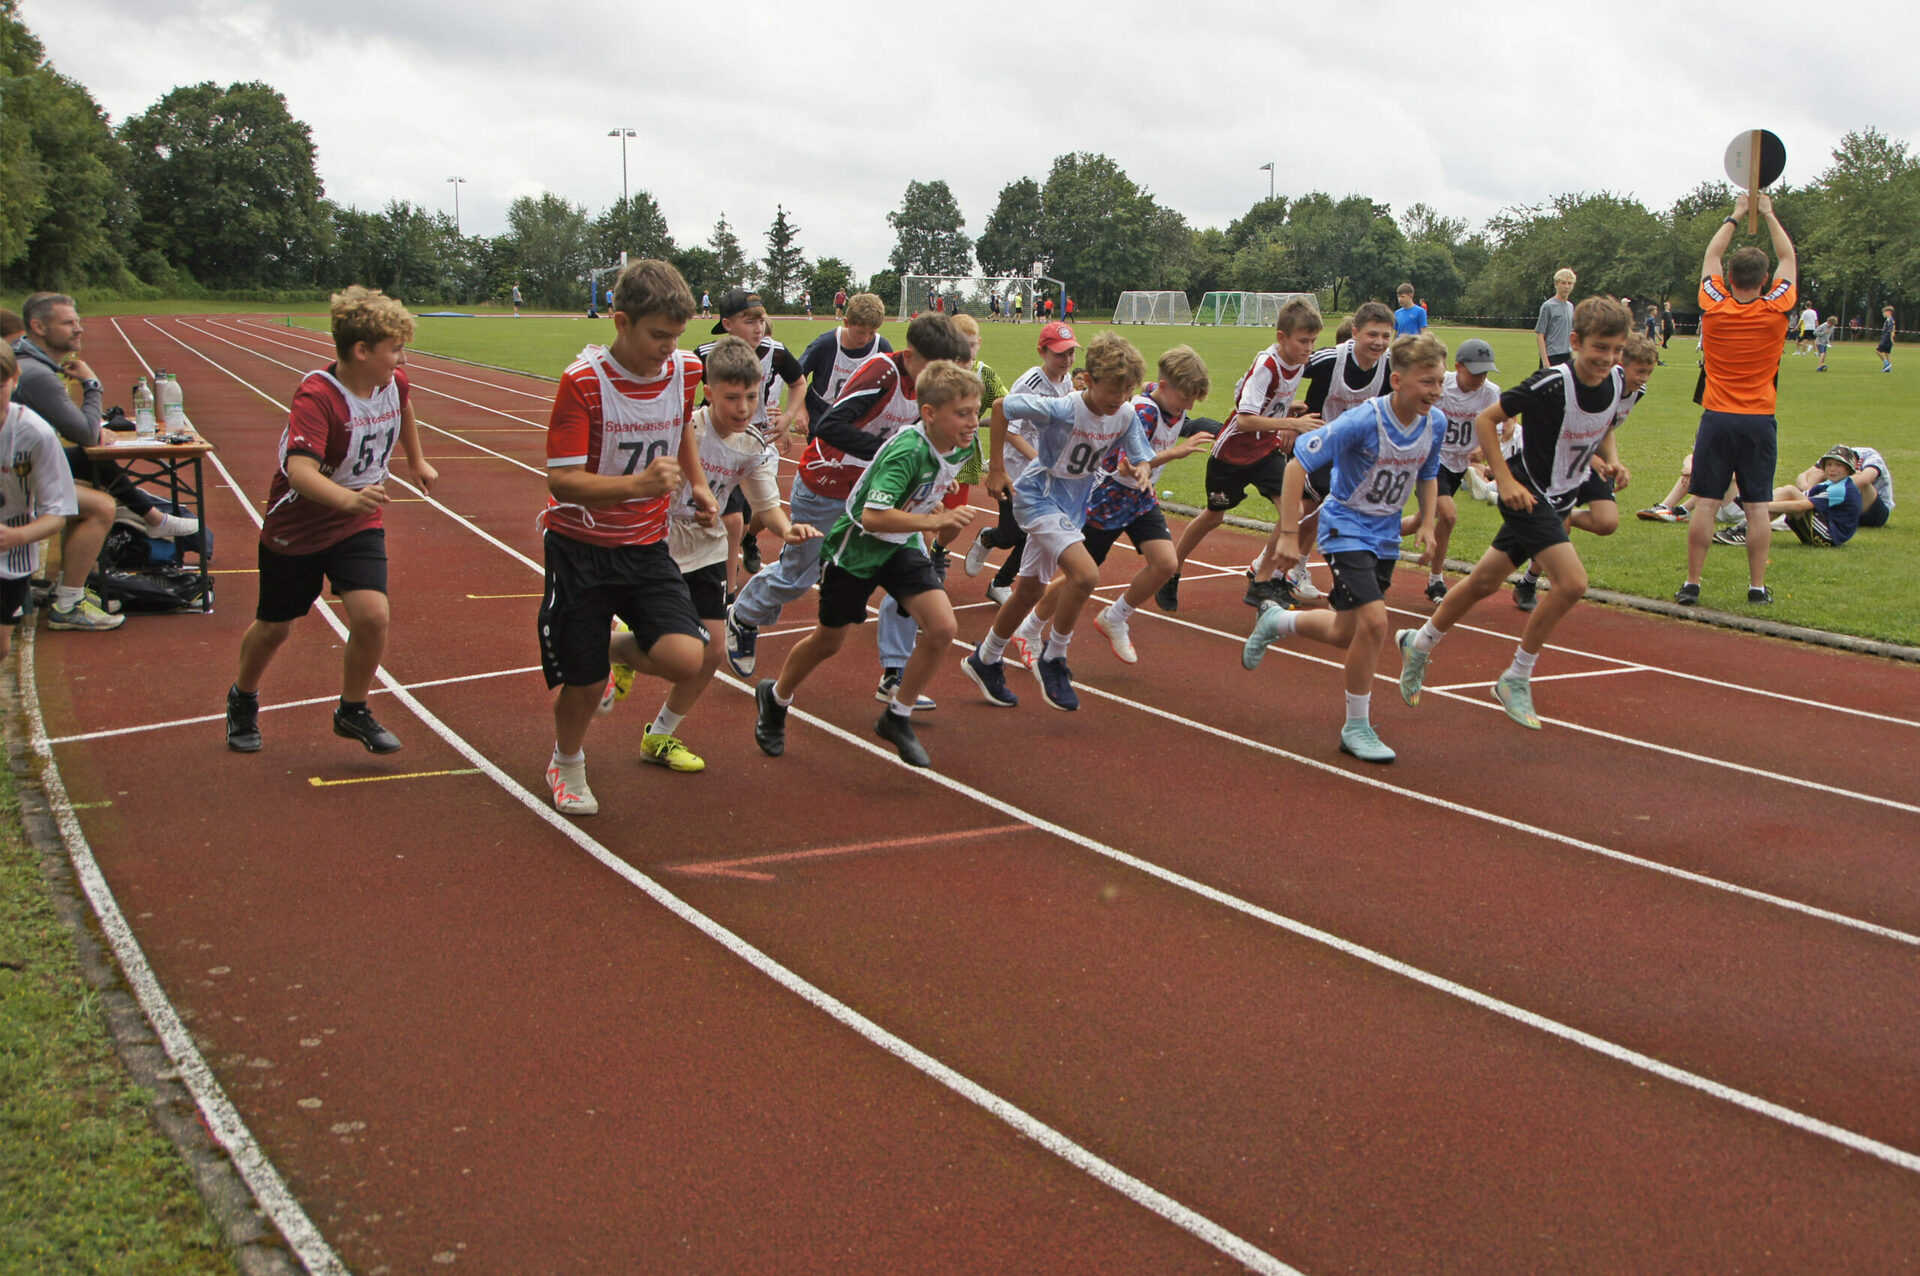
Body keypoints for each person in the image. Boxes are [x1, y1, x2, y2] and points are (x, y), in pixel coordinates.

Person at [1396, 297, 1633, 732]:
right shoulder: (1551, 383)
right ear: (1576, 341)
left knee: (1483, 581)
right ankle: (1516, 676)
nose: (1609, 358)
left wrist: (1609, 460)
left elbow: (1606, 426)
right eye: (1600, 348)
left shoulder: (1617, 381)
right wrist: (1503, 480)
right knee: (1572, 583)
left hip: (1560, 496)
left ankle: (1419, 641)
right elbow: (1488, 420)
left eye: (1617, 350)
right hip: (1528, 493)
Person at [225, 286, 438, 754]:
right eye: (395, 350)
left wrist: (416, 461)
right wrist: (345, 498)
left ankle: (353, 709)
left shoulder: (392, 383)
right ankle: (243, 696)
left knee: (372, 615)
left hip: (356, 522)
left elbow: (404, 411)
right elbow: (298, 471)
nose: (402, 360)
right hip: (298, 528)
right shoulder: (318, 397)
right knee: (276, 626)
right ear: (361, 351)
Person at [536, 259, 711, 815]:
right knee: (584, 687)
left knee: (688, 657)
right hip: (581, 548)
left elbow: (680, 424)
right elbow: (560, 481)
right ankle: (566, 763)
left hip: (644, 544)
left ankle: (611, 647)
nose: (669, 347)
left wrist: (700, 485)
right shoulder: (583, 382)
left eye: (677, 336)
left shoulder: (684, 371)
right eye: (658, 335)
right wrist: (637, 483)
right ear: (621, 321)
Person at [600, 335, 821, 770]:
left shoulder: (754, 445)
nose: (742, 408)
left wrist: (786, 528)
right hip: (658, 539)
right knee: (671, 645)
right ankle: (613, 645)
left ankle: (659, 736)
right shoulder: (685, 432)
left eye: (752, 397)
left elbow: (766, 504)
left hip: (707, 547)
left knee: (713, 652)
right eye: (732, 397)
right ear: (708, 392)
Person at [752, 361, 981, 768]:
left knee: (943, 627)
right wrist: (935, 520)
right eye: (962, 413)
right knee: (829, 642)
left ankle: (897, 716)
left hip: (900, 545)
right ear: (929, 414)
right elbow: (874, 516)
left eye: (975, 411)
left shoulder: (961, 445)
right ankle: (776, 696)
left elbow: (923, 490)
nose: (972, 421)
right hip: (857, 548)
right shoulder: (905, 451)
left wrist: (934, 504)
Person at [724, 313, 971, 682]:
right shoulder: (882, 374)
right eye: (942, 366)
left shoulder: (933, 390)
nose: (947, 377)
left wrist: (930, 479)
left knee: (914, 577)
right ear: (915, 356)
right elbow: (830, 426)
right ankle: (743, 615)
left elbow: (924, 442)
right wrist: (890, 453)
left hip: (881, 496)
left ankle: (894, 672)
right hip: (829, 486)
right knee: (798, 576)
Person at [1241, 331, 1447, 763]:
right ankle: (1357, 726)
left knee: (1346, 632)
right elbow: (1298, 463)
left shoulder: (1436, 422)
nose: (1435, 390)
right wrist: (1292, 536)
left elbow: (1428, 474)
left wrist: (1427, 522)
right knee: (1375, 624)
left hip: (1385, 536)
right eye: (1427, 381)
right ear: (1398, 380)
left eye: (1440, 381)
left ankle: (1277, 621)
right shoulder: (1363, 420)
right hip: (1345, 526)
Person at [962, 332, 1152, 712]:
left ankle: (985, 658)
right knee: (1085, 575)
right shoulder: (1064, 408)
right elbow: (1000, 408)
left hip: (1073, 503)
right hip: (1038, 495)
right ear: (1090, 380)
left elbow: (1140, 453)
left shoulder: (1126, 413)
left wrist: (1140, 468)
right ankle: (1054, 657)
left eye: (1126, 391)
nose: (1118, 399)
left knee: (1031, 591)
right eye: (1112, 390)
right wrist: (996, 469)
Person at [12, 293, 204, 630]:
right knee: (101, 506)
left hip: (17, 469)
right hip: (10, 480)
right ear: (38, 327)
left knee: (89, 467)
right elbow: (87, 434)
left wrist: (91, 426)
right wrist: (91, 382)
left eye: (78, 321)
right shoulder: (35, 374)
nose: (79, 329)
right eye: (68, 323)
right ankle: (68, 606)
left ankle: (147, 522)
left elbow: (83, 433)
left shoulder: (32, 364)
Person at [1021, 346, 1213, 667]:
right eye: (1185, 399)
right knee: (1079, 576)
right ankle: (1030, 627)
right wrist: (1174, 454)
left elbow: (1183, 420)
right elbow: (1123, 465)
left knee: (1166, 563)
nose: (1188, 407)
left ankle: (1116, 616)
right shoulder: (1142, 411)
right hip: (1106, 497)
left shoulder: (1172, 407)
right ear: (1164, 387)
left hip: (1139, 496)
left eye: (1193, 402)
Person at [1158, 297, 1325, 615]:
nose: (1308, 347)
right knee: (1214, 516)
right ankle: (1172, 569)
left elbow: (1252, 395)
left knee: (1292, 510)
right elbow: (1245, 418)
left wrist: (1287, 406)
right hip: (1232, 452)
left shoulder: (1299, 363)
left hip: (1265, 450)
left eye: (1313, 341)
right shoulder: (1267, 365)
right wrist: (1292, 421)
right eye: (1303, 341)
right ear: (1282, 338)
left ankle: (1262, 581)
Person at [1676, 191, 1797, 607]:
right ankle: (1757, 587)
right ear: (1763, 280)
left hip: (1717, 417)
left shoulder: (1713, 304)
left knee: (1706, 502)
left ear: (1730, 276)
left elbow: (1710, 255)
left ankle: (1693, 582)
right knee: (1758, 506)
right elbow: (1789, 259)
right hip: (1758, 418)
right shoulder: (1776, 308)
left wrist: (1736, 214)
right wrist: (1768, 214)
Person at [1509, 332, 1652, 610]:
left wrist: (1612, 460)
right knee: (1557, 531)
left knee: (1606, 522)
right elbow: (1569, 429)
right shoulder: (1598, 384)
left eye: (1649, 372)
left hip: (1592, 461)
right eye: (1640, 371)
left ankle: (1551, 520)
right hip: (1567, 460)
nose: (1644, 378)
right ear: (1621, 364)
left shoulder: (1637, 393)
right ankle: (1528, 582)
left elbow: (1607, 427)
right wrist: (1590, 456)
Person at [694, 288, 807, 588]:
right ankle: (727, 590)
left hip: (755, 443)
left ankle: (734, 559)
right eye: (750, 321)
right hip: (713, 443)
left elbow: (798, 382)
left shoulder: (776, 351)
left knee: (743, 522)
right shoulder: (705, 355)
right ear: (728, 324)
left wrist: (787, 417)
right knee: (729, 522)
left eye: (762, 320)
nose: (758, 327)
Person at [961, 321, 1079, 603]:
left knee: (1035, 534)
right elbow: (1011, 432)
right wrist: (1040, 459)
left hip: (1044, 474)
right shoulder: (1030, 383)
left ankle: (1001, 583)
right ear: (1042, 352)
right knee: (1011, 534)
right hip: (1015, 471)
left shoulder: (1068, 382)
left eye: (1071, 353)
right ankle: (988, 537)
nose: (1066, 360)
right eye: (1059, 354)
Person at [1401, 337, 1500, 604]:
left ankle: (1374, 536)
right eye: (1475, 371)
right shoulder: (1440, 385)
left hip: (1458, 465)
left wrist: (1484, 448)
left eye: (1485, 371)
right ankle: (1436, 580)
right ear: (1458, 367)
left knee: (1422, 520)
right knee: (1449, 515)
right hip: (1432, 459)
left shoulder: (1491, 393)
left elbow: (1497, 428)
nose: (1481, 377)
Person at [0, 346, 81, 657]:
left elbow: (57, 513)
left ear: (15, 379)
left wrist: (17, 536)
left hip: (10, 554)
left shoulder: (35, 434)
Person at [795, 292, 892, 423]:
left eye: (872, 333)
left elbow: (892, 386)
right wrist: (800, 409)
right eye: (860, 332)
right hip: (820, 413)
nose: (865, 339)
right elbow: (798, 374)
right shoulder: (826, 343)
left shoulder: (881, 348)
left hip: (857, 418)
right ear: (847, 323)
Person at [1765, 445, 1865, 548]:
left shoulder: (1841, 489)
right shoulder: (1830, 484)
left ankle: (1754, 522)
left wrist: (1762, 506)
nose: (1832, 469)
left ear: (1848, 469)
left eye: (1838, 465)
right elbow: (1803, 495)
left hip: (1829, 536)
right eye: (1829, 465)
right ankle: (1753, 522)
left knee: (1790, 491)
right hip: (1824, 531)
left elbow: (1800, 506)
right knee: (1788, 491)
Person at [1535, 267, 1577, 368]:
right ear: (1556, 284)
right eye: (1563, 283)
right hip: (1552, 355)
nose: (1566, 286)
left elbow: (1571, 333)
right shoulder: (1548, 306)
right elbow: (1540, 336)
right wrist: (1545, 361)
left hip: (1567, 355)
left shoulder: (1570, 306)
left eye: (1569, 283)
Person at [1877, 304, 1896, 372]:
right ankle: (1888, 369)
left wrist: (1891, 339)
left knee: (1878, 351)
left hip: (1887, 338)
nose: (1883, 314)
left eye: (1884, 312)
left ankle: (1887, 364)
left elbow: (1891, 330)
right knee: (1887, 353)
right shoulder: (1890, 320)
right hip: (1888, 338)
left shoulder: (1890, 320)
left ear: (1888, 312)